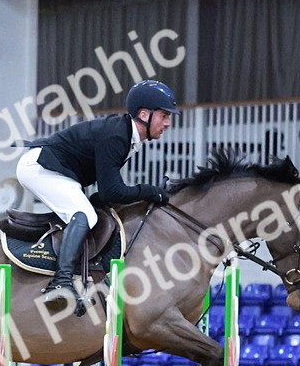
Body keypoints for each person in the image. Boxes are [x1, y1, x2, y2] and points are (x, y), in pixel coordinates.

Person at [16, 79, 179, 312]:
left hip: (58, 171)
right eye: (164, 116)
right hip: (39, 168)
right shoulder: (117, 136)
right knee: (85, 214)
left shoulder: (126, 135)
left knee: (90, 211)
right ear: (144, 114)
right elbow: (111, 191)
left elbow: (106, 192)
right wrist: (150, 191)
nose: (168, 123)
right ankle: (60, 283)